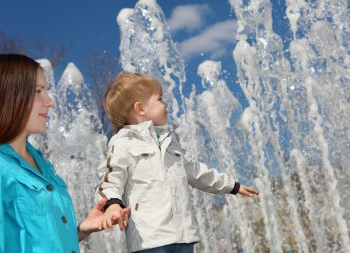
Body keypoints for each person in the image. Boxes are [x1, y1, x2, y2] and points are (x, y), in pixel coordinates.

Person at [0, 54, 130, 253]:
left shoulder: (41, 164)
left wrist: (80, 230)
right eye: (39, 91)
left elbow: (37, 240)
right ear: (9, 97)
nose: (50, 102)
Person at [97, 73, 259, 253]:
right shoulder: (122, 143)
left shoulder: (169, 143)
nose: (165, 104)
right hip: (149, 239)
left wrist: (232, 186)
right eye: (159, 99)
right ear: (140, 109)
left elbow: (196, 171)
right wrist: (112, 204)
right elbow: (110, 179)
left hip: (183, 235)